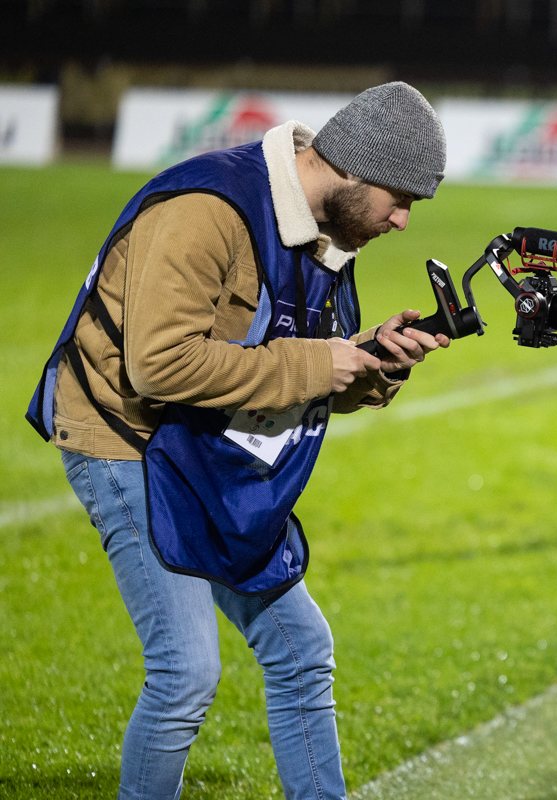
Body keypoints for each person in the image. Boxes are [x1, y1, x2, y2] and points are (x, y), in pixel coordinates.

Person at [26, 82, 450, 798]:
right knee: (186, 671)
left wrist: (370, 363)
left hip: (202, 442)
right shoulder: (209, 210)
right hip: (121, 432)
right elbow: (158, 366)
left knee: (300, 649)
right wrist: (321, 360)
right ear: (354, 169)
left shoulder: (326, 233)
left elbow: (272, 371)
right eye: (400, 199)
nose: (403, 222)